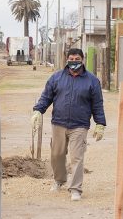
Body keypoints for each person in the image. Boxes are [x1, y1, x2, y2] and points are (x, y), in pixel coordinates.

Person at [31, 48, 106, 201]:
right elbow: (46, 97)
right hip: (59, 123)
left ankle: (75, 189)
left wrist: (100, 123)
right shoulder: (56, 78)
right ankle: (59, 180)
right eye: (71, 59)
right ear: (67, 59)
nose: (74, 62)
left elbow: (97, 104)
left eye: (77, 59)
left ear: (82, 59)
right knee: (57, 155)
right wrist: (38, 111)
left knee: (77, 157)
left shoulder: (92, 80)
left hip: (80, 125)